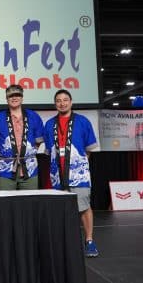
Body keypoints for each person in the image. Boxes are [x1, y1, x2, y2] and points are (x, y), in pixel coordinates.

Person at [43, 89, 99, 257]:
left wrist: (76, 165)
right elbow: (48, 151)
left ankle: (89, 240)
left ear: (71, 102)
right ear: (55, 104)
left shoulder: (83, 121)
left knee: (83, 207)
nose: (62, 103)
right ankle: (65, 243)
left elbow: (88, 150)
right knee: (61, 210)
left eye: (65, 100)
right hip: (57, 175)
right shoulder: (49, 124)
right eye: (58, 100)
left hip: (78, 173)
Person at [0, 84, 43, 190]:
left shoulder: (33, 116)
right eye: (10, 95)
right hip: (5, 169)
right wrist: (6, 153)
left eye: (17, 94)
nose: (14, 97)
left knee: (30, 203)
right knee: (6, 203)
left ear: (22, 98)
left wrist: (27, 152)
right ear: (6, 99)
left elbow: (38, 141)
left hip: (29, 168)